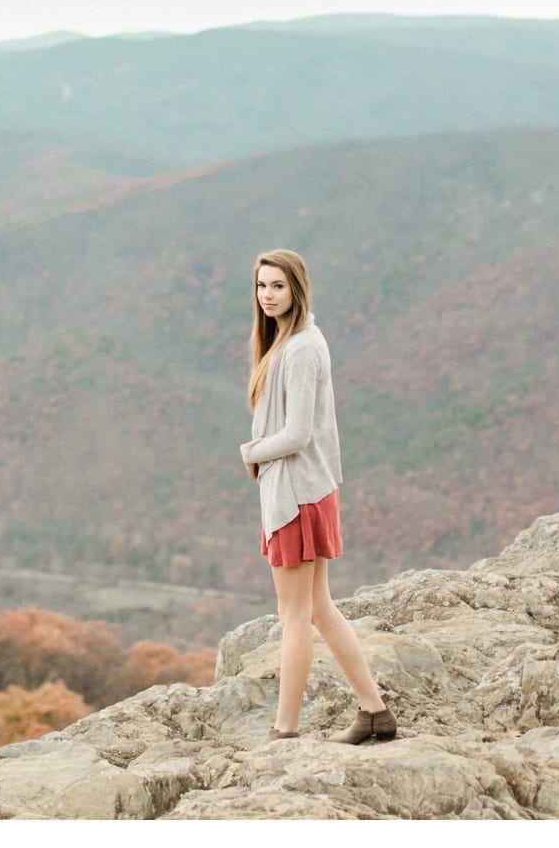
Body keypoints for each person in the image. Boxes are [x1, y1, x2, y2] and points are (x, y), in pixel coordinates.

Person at [239, 248, 397, 745]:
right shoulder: (290, 341)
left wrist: (252, 451)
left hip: (297, 495)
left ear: (297, 289)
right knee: (319, 609)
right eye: (262, 286)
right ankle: (374, 712)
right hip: (308, 489)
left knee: (294, 617)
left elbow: (299, 432)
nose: (268, 295)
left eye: (278, 286)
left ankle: (285, 729)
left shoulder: (302, 348)